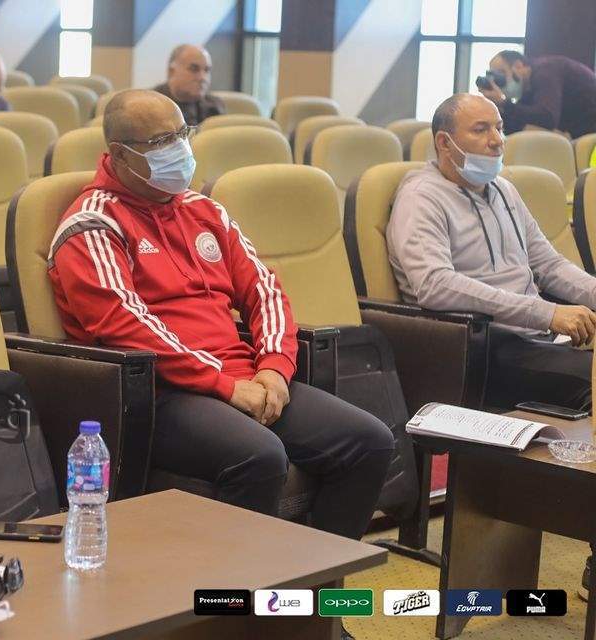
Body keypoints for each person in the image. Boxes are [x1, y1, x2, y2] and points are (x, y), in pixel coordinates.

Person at [50, 89, 394, 545]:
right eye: (162, 141)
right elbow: (126, 326)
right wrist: (225, 385)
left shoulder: (204, 210)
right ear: (121, 155)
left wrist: (274, 368)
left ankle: (314, 586)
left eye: (182, 133)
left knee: (369, 441)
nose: (179, 148)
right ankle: (233, 592)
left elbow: (265, 291)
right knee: (260, 457)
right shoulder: (91, 224)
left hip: (244, 377)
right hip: (160, 393)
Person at [388, 93, 596, 413]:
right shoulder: (421, 198)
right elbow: (434, 285)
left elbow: (549, 264)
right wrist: (546, 313)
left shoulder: (503, 189)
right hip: (482, 345)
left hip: (535, 337)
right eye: (481, 129)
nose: (497, 140)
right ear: (444, 142)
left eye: (499, 128)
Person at [479, 50, 596, 138]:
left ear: (518, 66)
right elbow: (516, 124)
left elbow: (548, 117)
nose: (500, 81)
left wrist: (504, 103)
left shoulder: (545, 71)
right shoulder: (529, 88)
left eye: (502, 73)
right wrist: (495, 107)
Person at [153, 44, 225, 126]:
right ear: (171, 71)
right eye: (194, 69)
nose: (202, 77)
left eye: (207, 70)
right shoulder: (151, 106)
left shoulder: (215, 106)